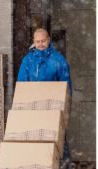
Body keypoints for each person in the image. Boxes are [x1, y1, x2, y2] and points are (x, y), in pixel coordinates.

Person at [17, 28, 72, 169]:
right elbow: (22, 86)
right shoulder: (28, 60)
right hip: (33, 110)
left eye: (43, 41)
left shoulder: (58, 60)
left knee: (59, 143)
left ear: (48, 40)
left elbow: (66, 88)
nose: (40, 44)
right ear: (33, 42)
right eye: (37, 41)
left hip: (54, 111)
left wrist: (65, 111)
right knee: (35, 143)